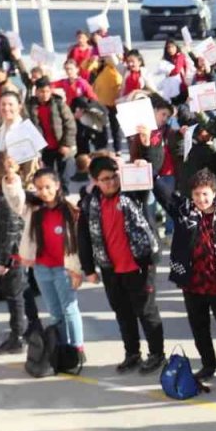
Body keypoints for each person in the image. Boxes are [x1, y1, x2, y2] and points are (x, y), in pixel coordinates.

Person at [152, 167, 216, 386]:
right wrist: (149, 173)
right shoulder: (184, 211)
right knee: (199, 328)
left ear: (214, 193)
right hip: (193, 284)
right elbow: (163, 194)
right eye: (196, 194)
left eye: (205, 194)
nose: (201, 199)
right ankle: (209, 365)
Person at [76, 155, 166, 374]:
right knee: (123, 313)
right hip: (111, 269)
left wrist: (142, 167)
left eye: (114, 177)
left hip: (139, 266)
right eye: (105, 179)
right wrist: (88, 269)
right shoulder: (90, 204)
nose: (111, 183)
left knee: (146, 311)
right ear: (95, 181)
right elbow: (84, 238)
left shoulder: (132, 193)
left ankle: (157, 354)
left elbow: (149, 187)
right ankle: (132, 353)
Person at [3, 168, 85, 362]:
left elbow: (79, 244)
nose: (44, 192)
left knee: (70, 310)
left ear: (57, 185)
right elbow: (16, 201)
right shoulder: (33, 209)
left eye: (48, 187)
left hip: (64, 269)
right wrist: (11, 181)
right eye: (39, 188)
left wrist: (77, 271)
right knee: (55, 313)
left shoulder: (71, 210)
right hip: (42, 268)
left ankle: (77, 350)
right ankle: (63, 348)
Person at [0, 151, 29, 354]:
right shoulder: (0, 192)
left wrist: (3, 260)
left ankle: (18, 336)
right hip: (14, 252)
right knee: (17, 292)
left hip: (13, 254)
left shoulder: (4, 196)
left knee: (14, 295)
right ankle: (24, 331)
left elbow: (11, 229)